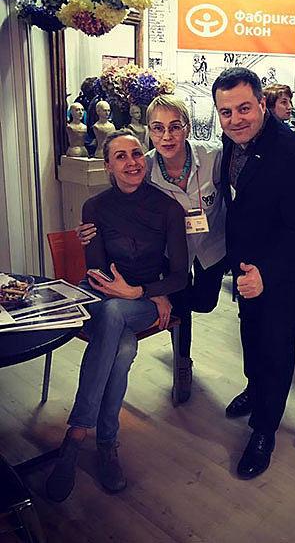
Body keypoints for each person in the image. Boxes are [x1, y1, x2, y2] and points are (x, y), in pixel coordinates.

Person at [46, 130, 188, 502]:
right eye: (120, 156)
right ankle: (106, 442)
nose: (131, 162)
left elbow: (181, 276)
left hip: (141, 301)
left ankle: (76, 435)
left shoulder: (168, 208)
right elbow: (96, 271)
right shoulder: (94, 207)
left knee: (114, 314)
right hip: (101, 294)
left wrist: (145, 292)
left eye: (136, 154)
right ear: (108, 165)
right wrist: (124, 290)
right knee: (122, 346)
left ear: (145, 158)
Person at [78, 95, 227, 404]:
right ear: (149, 131)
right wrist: (91, 229)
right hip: (171, 252)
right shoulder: (142, 165)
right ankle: (182, 362)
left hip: (211, 245)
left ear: (187, 128)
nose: (166, 136)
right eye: (158, 128)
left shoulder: (213, 157)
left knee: (204, 303)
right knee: (179, 301)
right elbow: (119, 202)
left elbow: (234, 195)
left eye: (175, 127)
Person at [212, 67, 295, 479]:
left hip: (279, 270)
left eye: (243, 108)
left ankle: (264, 429)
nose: (235, 119)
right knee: (250, 335)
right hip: (244, 265)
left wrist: (266, 273)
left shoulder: (294, 154)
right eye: (226, 112)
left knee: (275, 346)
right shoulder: (231, 141)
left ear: (261, 104)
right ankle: (255, 390)